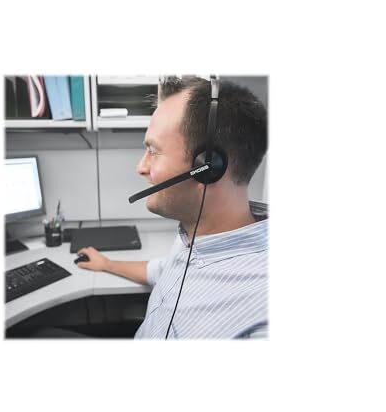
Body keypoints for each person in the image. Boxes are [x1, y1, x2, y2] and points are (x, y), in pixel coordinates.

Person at [77, 76, 268, 339]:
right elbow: (160, 270)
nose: (141, 167)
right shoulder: (194, 237)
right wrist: (107, 264)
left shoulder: (263, 314)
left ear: (208, 167)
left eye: (153, 151)